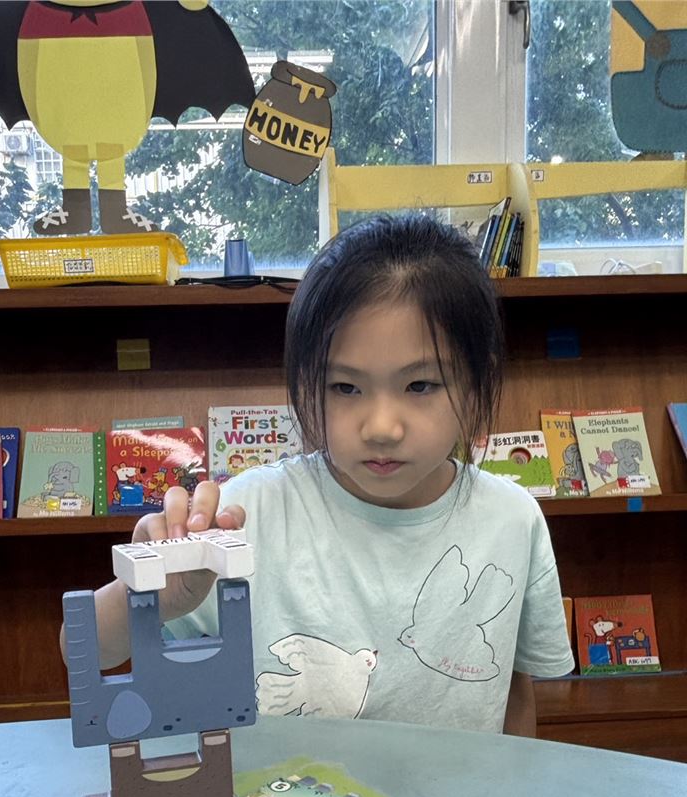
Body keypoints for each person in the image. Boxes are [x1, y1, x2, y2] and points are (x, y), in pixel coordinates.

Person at [75, 214, 574, 736]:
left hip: (459, 792)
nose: (381, 428)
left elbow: (514, 693)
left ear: (475, 385)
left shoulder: (512, 520)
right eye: (345, 388)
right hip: (281, 790)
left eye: (421, 385)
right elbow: (82, 650)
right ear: (307, 383)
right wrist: (149, 594)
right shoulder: (243, 515)